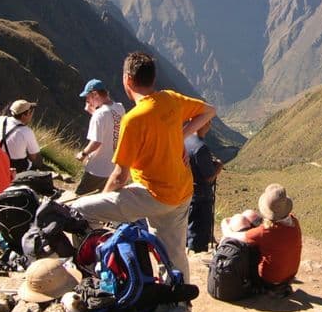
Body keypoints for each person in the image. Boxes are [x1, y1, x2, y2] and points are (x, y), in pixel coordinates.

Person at [71, 51, 216, 281]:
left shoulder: (134, 119)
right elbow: (209, 110)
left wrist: (105, 199)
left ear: (128, 79)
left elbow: (119, 177)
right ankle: (179, 299)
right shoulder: (170, 99)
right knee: (174, 253)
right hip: (182, 192)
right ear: (152, 78)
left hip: (153, 195)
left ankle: (91, 271)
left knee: (78, 211)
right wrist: (182, 135)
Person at [220, 184, 302, 296]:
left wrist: (224, 222)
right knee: (249, 214)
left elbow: (230, 234)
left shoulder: (266, 232)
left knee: (238, 220)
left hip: (269, 281)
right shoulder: (294, 221)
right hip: (289, 277)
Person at [73, 79, 126, 195]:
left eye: (88, 97)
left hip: (97, 169)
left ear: (95, 94)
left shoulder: (99, 115)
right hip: (113, 168)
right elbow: (112, 125)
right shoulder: (119, 108)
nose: (87, 101)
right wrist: (93, 113)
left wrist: (83, 154)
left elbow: (96, 142)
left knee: (80, 197)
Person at [184, 121, 222, 252]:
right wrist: (218, 167)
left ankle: (187, 249)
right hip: (201, 196)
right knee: (199, 231)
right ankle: (197, 252)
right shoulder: (201, 147)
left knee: (189, 227)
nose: (210, 125)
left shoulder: (186, 140)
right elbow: (209, 177)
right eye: (208, 122)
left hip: (187, 191)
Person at [0, 99, 43, 173]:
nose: (31, 115)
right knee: (38, 159)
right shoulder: (26, 132)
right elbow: (33, 157)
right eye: (30, 113)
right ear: (24, 115)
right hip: (16, 168)